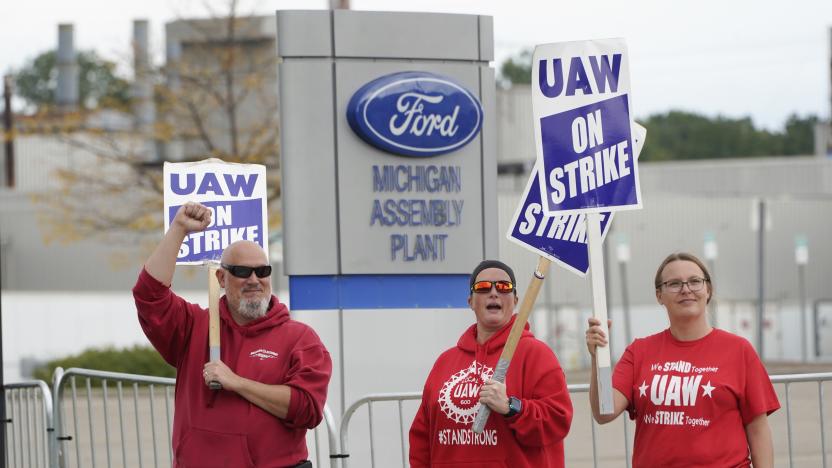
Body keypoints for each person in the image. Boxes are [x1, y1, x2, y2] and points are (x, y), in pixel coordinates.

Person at [133, 201, 332, 468]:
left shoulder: (300, 338)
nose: (253, 279)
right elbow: (149, 296)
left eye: (262, 271)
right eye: (241, 271)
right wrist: (179, 229)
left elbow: (307, 408)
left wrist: (237, 382)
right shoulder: (194, 325)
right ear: (221, 278)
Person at [585, 252, 779, 467]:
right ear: (659, 295)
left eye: (695, 281)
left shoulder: (739, 350)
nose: (686, 289)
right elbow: (604, 412)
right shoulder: (639, 351)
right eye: (674, 283)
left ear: (708, 290)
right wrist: (597, 359)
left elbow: (758, 430)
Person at [409, 259, 573, 468]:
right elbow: (422, 435)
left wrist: (511, 407)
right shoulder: (445, 362)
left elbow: (558, 421)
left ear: (515, 300)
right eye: (483, 287)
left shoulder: (537, 355)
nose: (494, 292)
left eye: (504, 287)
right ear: (471, 301)